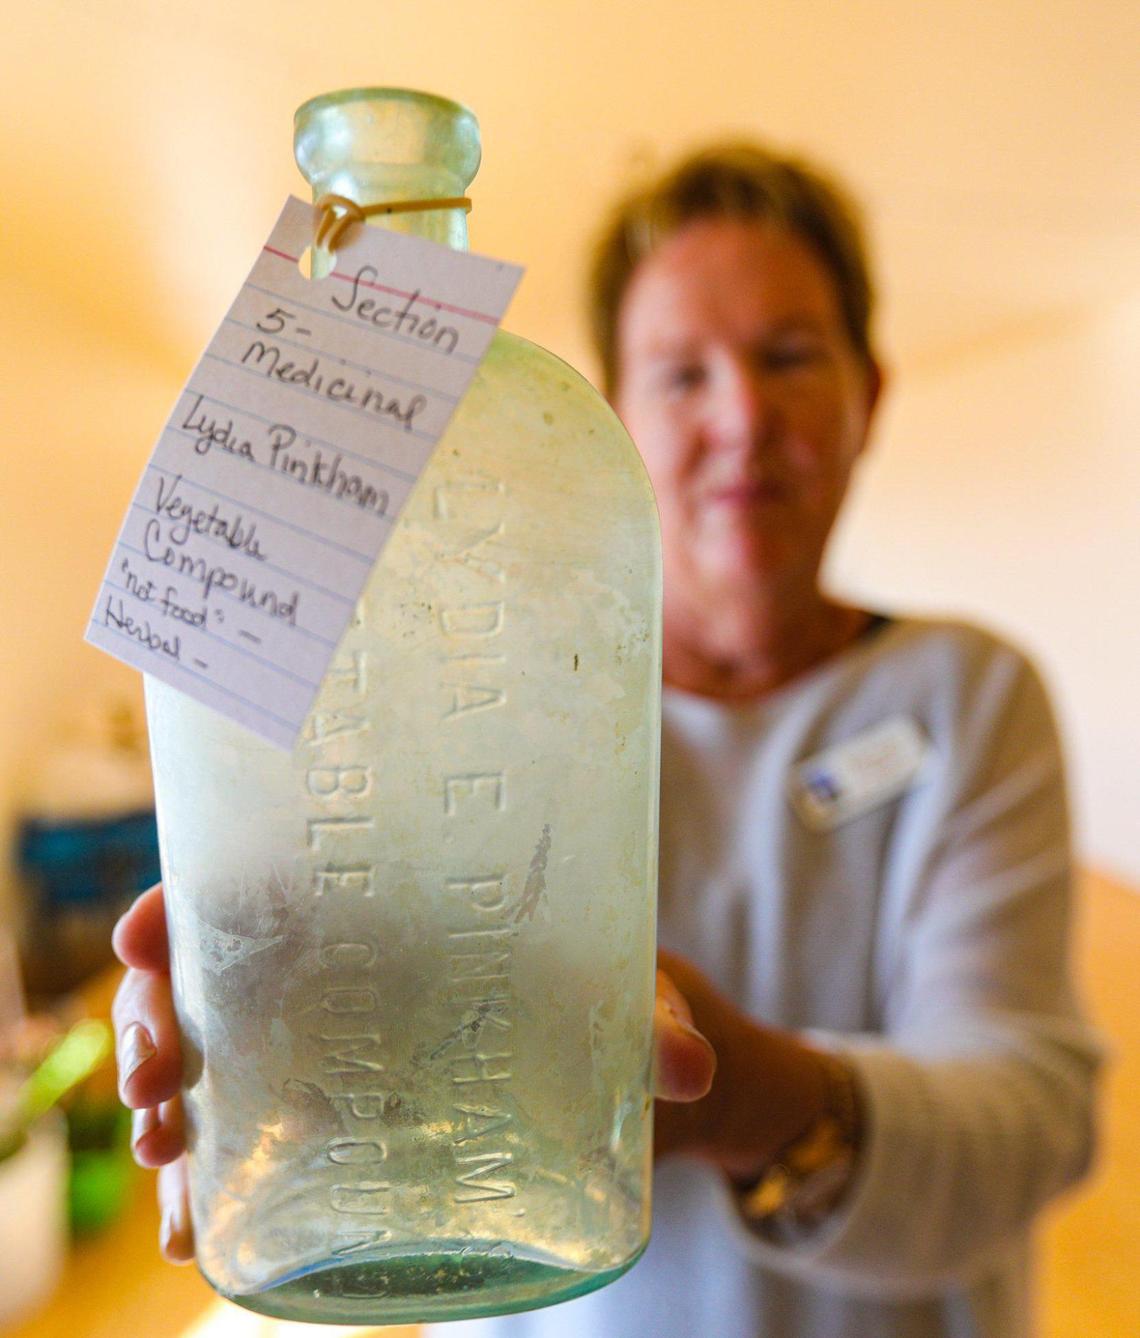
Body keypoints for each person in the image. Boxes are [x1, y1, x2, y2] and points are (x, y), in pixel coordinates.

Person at [112, 142, 1101, 1337]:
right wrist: (263, 1023)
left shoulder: (970, 698)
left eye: (790, 355)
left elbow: (1034, 1122)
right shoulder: (459, 693)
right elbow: (365, 961)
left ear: (868, 393)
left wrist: (735, 1093)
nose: (742, 415)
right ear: (613, 416)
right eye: (682, 375)